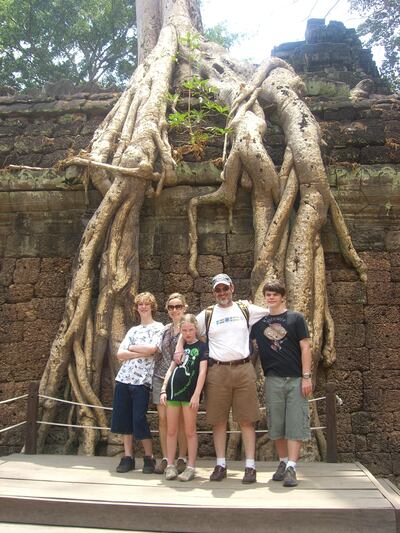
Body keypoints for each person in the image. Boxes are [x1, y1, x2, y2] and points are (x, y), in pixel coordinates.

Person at [178, 273, 267, 484]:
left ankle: (250, 466)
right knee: (217, 420)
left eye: (225, 288)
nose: (222, 293)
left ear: (232, 288)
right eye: (218, 290)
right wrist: (180, 347)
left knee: (246, 419)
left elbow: (270, 310)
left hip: (243, 367)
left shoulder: (246, 310)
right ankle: (220, 464)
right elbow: (186, 328)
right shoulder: (207, 314)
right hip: (217, 370)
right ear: (213, 292)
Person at [250, 281, 313, 488]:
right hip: (272, 379)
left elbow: (305, 347)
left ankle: (292, 466)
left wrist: (306, 376)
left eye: (275, 294)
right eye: (268, 294)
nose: (271, 298)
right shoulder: (259, 323)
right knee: (276, 424)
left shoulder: (296, 318)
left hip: (296, 379)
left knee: (295, 422)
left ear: (283, 296)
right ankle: (283, 461)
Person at [111, 291, 164, 474]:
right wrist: (141, 352)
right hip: (124, 378)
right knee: (124, 418)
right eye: (140, 304)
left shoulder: (159, 328)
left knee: (139, 419)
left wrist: (132, 349)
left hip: (142, 380)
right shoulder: (133, 330)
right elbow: (119, 354)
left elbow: (154, 349)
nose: (143, 307)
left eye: (146, 304)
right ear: (137, 308)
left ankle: (149, 457)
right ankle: (128, 457)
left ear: (152, 306)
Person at [160, 314, 208, 481]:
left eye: (191, 329)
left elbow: (202, 372)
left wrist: (196, 395)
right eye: (185, 330)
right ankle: (171, 465)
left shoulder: (202, 347)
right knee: (171, 430)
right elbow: (171, 368)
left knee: (190, 431)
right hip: (173, 392)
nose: (188, 333)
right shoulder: (180, 349)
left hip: (189, 394)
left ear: (196, 329)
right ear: (180, 330)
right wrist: (164, 389)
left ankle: (191, 467)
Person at [152, 293, 188, 475]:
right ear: (167, 309)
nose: (175, 310)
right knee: (164, 419)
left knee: (181, 419)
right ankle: (167, 457)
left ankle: (182, 457)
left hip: (180, 378)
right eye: (171, 307)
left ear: (184, 307)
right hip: (160, 376)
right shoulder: (165, 329)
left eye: (178, 306)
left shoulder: (189, 328)